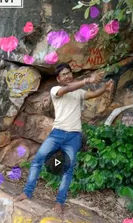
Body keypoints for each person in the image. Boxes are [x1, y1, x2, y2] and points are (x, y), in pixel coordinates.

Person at [15, 62, 113, 214]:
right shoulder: (56, 90)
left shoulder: (79, 92)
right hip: (57, 134)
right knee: (38, 160)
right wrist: (88, 80)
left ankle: (59, 202)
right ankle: (27, 192)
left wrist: (104, 88)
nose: (67, 76)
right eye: (64, 75)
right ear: (59, 79)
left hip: (73, 137)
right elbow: (66, 90)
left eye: (69, 73)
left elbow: (91, 94)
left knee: (68, 170)